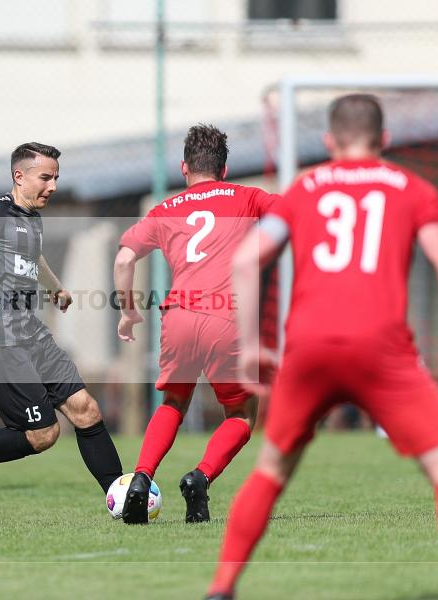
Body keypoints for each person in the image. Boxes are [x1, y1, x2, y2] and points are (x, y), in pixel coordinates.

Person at [207, 94, 438, 600]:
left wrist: (253, 342)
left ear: (329, 142)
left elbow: (243, 263)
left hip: (308, 349)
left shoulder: (303, 190)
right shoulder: (413, 188)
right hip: (382, 349)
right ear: (384, 140)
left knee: (272, 469)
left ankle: (221, 588)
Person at [0, 142, 123, 502]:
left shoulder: (31, 217)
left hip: (34, 334)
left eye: (56, 178)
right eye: (45, 178)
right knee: (43, 434)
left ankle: (121, 499)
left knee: (86, 409)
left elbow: (31, 257)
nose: (52, 186)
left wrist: (55, 289)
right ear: (19, 176)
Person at [113, 124, 278, 524]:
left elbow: (123, 259)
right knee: (240, 415)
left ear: (185, 168)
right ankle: (200, 477)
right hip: (229, 316)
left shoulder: (164, 209)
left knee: (173, 403)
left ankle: (141, 477)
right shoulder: (248, 197)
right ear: (224, 170)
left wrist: (128, 309)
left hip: (179, 316)